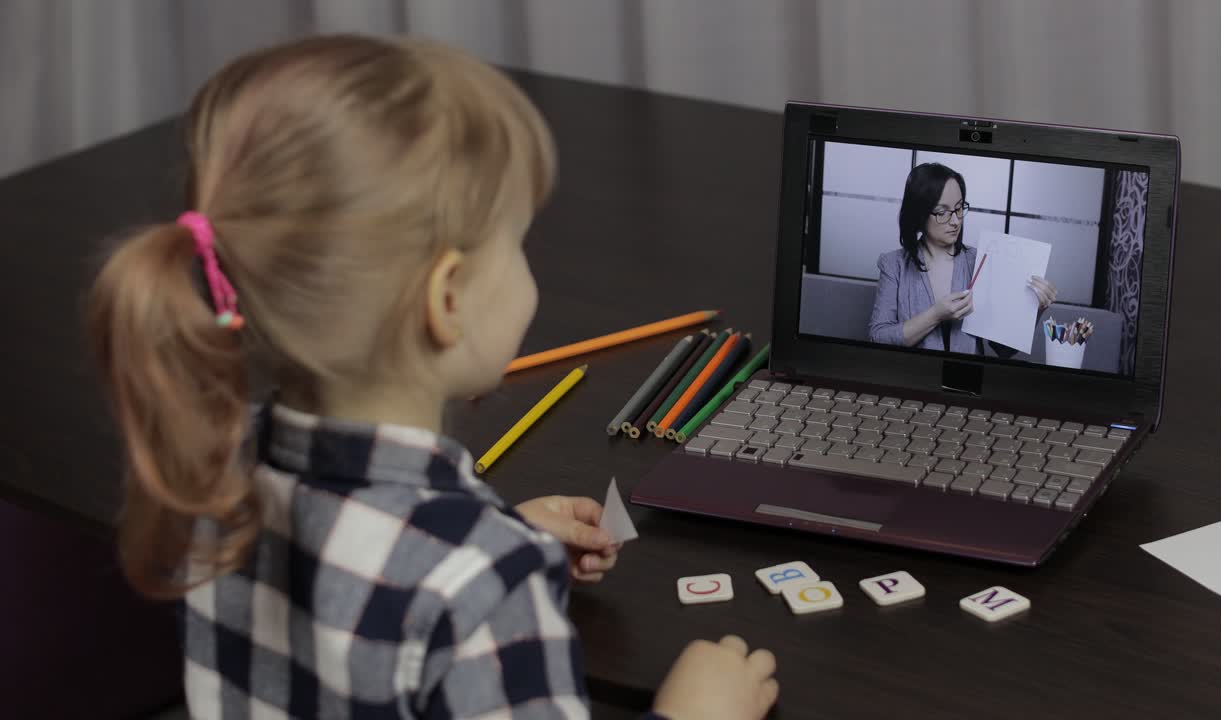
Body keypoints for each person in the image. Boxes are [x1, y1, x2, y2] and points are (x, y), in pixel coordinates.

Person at [87, 34, 777, 719]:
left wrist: (500, 531)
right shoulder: (486, 588)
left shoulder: (209, 464)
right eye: (519, 241)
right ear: (446, 301)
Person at [869, 163, 1056, 355]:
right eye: (942, 212)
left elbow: (1003, 350)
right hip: (913, 378)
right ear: (919, 214)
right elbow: (879, 336)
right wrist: (936, 314)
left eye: (959, 209)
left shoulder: (979, 262)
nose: (956, 220)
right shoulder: (894, 265)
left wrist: (1035, 309)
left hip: (966, 380)